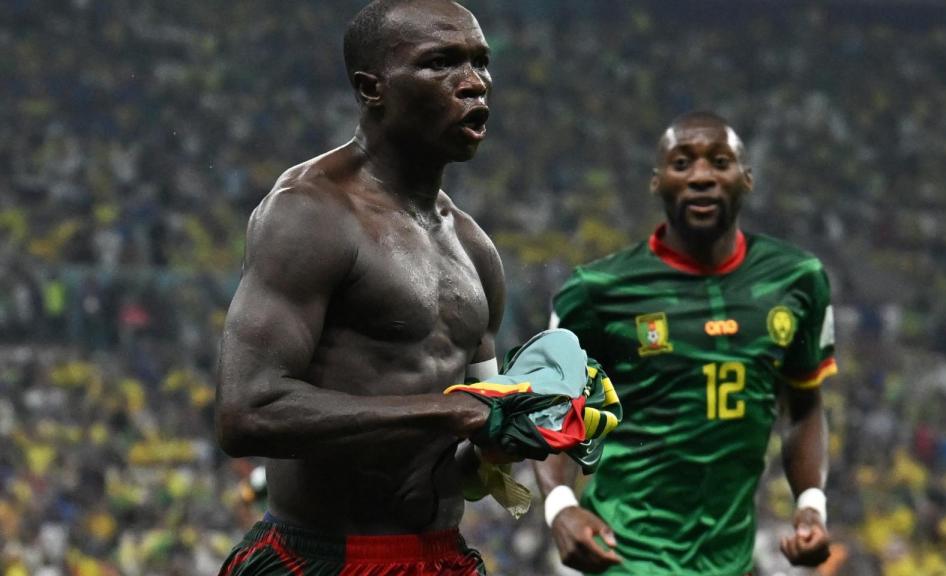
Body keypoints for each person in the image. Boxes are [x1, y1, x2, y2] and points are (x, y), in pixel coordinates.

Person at [213, 1, 544, 574]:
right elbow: (247, 412)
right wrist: (449, 414)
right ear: (373, 89)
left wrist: (517, 430)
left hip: (441, 557)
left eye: (481, 63)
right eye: (441, 63)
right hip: (319, 557)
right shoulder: (309, 213)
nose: (473, 83)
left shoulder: (475, 248)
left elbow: (471, 466)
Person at [534, 112, 835, 575]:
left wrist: (811, 503)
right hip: (624, 557)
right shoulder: (597, 291)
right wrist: (559, 505)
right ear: (657, 182)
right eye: (681, 163)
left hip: (732, 561)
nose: (700, 177)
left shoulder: (798, 281)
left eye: (719, 161)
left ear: (746, 179)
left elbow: (805, 405)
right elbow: (553, 407)